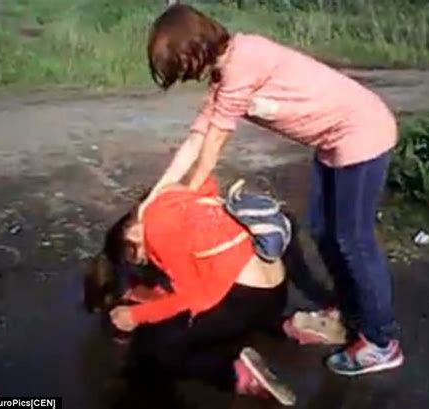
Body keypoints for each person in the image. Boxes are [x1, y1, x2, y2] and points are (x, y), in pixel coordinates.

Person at [131, 4, 404, 377]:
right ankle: (352, 311)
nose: (184, 77)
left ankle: (380, 341)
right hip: (332, 142)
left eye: (179, 66)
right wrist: (154, 198)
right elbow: (196, 139)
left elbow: (211, 149)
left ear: (191, 51)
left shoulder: (244, 62)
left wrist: (182, 201)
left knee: (353, 240)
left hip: (362, 131)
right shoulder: (224, 74)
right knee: (324, 232)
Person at [109, 177, 296, 406]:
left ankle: (238, 375)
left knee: (160, 350)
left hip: (244, 302)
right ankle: (291, 327)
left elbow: (191, 297)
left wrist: (137, 315)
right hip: (276, 292)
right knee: (218, 298)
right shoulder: (186, 199)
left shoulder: (158, 232)